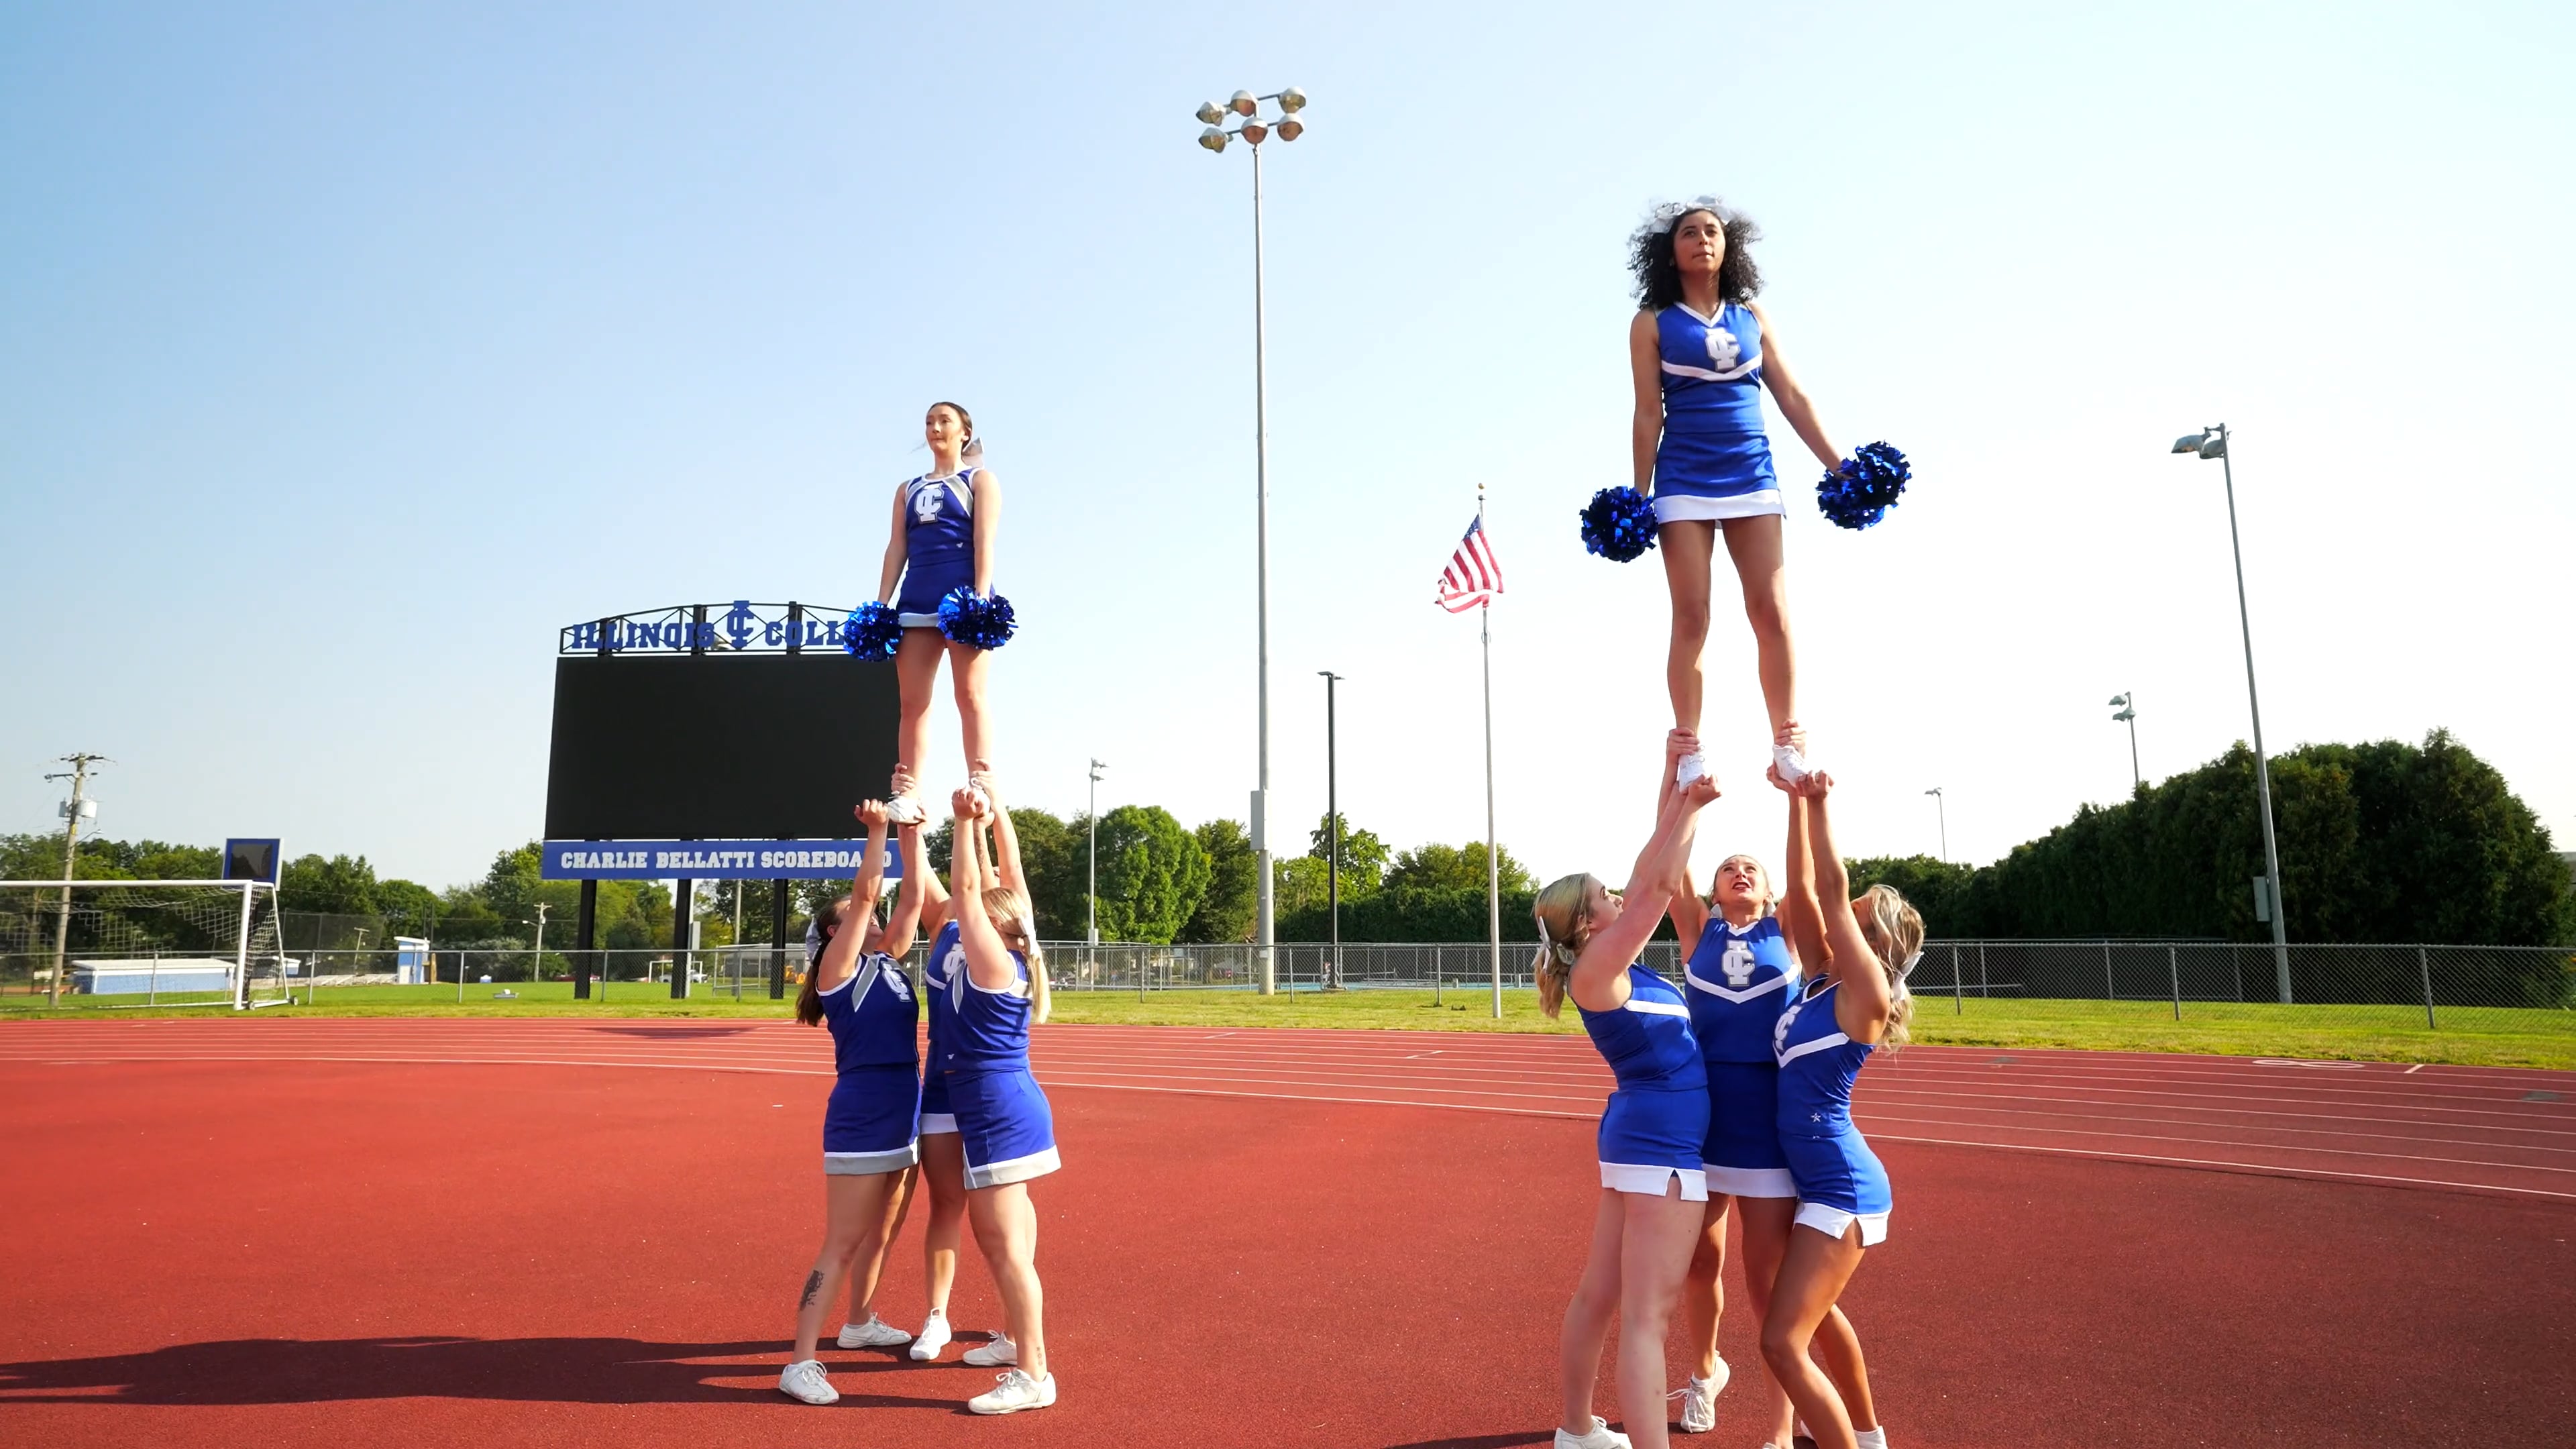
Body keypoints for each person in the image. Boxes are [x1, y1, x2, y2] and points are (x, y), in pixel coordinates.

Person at [1537, 729, 1723, 1449]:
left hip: (1643, 1138)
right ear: (1589, 922)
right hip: (1659, 1144)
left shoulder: (1619, 964)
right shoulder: (1598, 970)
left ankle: (1578, 1430)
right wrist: (1694, 804)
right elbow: (1658, 886)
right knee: (1648, 1317)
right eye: (1602, 896)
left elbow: (1649, 870)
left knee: (1604, 1295)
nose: (1618, 894)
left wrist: (1675, 783)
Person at [1627, 200, 1846, 787]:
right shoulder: (1652, 321)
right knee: (1693, 614)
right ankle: (1690, 750)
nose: (1703, 239)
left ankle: (1786, 743)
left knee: (1770, 610)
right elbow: (1649, 412)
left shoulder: (1751, 315)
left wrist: (1839, 466)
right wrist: (1637, 496)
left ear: (1729, 247)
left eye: (1713, 232)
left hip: (1751, 473)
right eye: (1690, 233)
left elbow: (1793, 396)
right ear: (1670, 252)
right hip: (1683, 478)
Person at [1759, 766, 1918, 1449]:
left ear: (1876, 938)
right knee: (1817, 1322)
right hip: (1816, 1179)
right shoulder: (1823, 978)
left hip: (1841, 1187)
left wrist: (1820, 803)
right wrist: (1793, 799)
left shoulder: (1866, 998)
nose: (1845, 910)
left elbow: (1826, 887)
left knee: (1780, 1344)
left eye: (1860, 908)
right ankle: (1870, 1436)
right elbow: (1800, 894)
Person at [777, 802, 926, 1405]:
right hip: (864, 1111)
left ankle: (860, 1322)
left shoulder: (886, 962)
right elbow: (867, 896)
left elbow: (911, 900)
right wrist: (879, 832)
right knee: (840, 1241)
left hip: (905, 1103)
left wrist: (914, 834)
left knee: (883, 1230)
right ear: (836, 933)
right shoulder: (838, 972)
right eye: (860, 917)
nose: (875, 918)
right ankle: (799, 1361)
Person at [940, 782, 1059, 1414]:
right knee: (1009, 1238)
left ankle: (1033, 1374)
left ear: (997, 923)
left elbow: (967, 893)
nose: (972, 915)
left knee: (1003, 1245)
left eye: (985, 913)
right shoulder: (1019, 949)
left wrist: (963, 822)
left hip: (995, 1108)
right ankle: (1016, 1338)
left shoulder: (992, 962)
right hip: (1005, 1100)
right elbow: (1003, 876)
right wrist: (994, 812)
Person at [873, 400, 1003, 818]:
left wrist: (980, 597)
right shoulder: (908, 489)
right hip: (916, 599)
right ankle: (908, 791)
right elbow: (898, 547)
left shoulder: (979, 480)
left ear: (964, 432)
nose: (934, 427)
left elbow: (985, 541)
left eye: (944, 420)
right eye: (929, 421)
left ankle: (980, 781)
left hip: (962, 597)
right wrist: (881, 603)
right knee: (913, 703)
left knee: (969, 694)